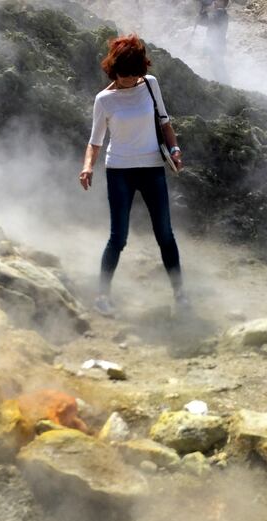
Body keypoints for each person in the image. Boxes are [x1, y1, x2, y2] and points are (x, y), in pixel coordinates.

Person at [79, 34, 187, 317]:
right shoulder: (104, 100)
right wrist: (88, 166)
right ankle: (102, 296)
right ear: (113, 69)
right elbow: (95, 141)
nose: (128, 80)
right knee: (118, 237)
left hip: (152, 168)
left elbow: (165, 123)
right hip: (120, 171)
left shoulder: (150, 85)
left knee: (165, 234)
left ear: (142, 69)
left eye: (134, 73)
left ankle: (180, 294)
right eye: (123, 74)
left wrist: (174, 150)